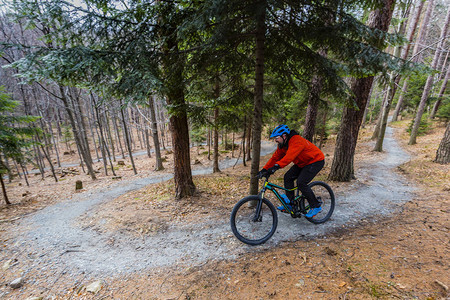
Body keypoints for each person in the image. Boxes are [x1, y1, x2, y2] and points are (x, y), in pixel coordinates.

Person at [257, 124, 325, 218]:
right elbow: (275, 158)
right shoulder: (283, 145)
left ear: (284, 136)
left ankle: (315, 205)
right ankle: (291, 204)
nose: (275, 140)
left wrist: (276, 167)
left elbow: (289, 157)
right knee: (287, 177)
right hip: (302, 163)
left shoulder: (296, 140)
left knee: (301, 182)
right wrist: (264, 169)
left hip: (315, 161)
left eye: (276, 137)